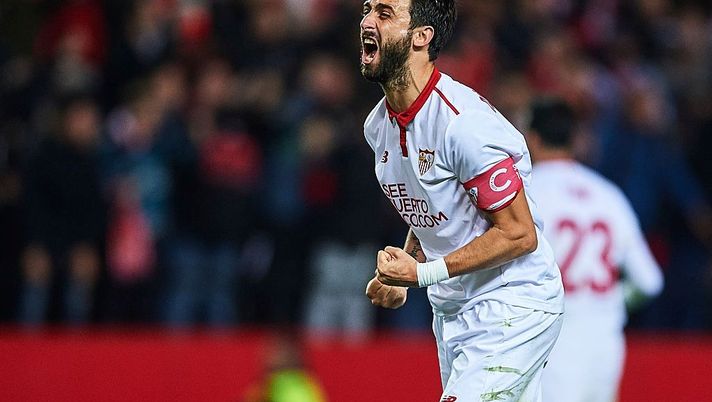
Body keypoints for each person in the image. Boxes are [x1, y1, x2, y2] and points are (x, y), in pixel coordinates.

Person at [359, 1, 564, 400]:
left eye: (385, 14)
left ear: (421, 37)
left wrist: (422, 275)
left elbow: (521, 234)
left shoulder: (463, 124)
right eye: (367, 10)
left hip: (512, 305)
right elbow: (433, 206)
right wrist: (406, 269)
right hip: (453, 312)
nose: (367, 22)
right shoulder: (377, 126)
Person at [526, 98, 664, 402]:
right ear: (575, 140)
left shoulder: (526, 193)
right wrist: (611, 301)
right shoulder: (608, 195)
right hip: (605, 341)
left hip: (552, 340)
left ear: (532, 139)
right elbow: (650, 280)